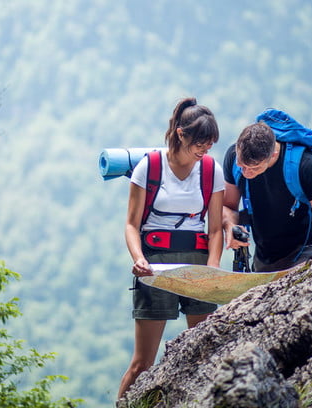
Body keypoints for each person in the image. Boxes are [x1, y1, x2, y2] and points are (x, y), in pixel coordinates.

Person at [117, 97, 225, 399]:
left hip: (198, 265)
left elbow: (215, 228)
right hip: (154, 265)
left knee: (204, 354)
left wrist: (213, 267)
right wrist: (138, 260)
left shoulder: (211, 170)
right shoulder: (148, 168)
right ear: (181, 134)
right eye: (200, 144)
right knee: (142, 363)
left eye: (209, 146)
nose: (204, 151)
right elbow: (131, 225)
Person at [222, 121, 312, 272]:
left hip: (304, 253)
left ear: (273, 154)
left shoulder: (306, 166)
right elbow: (228, 206)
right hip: (264, 257)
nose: (246, 173)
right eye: (242, 165)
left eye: (254, 168)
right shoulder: (233, 157)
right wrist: (230, 227)